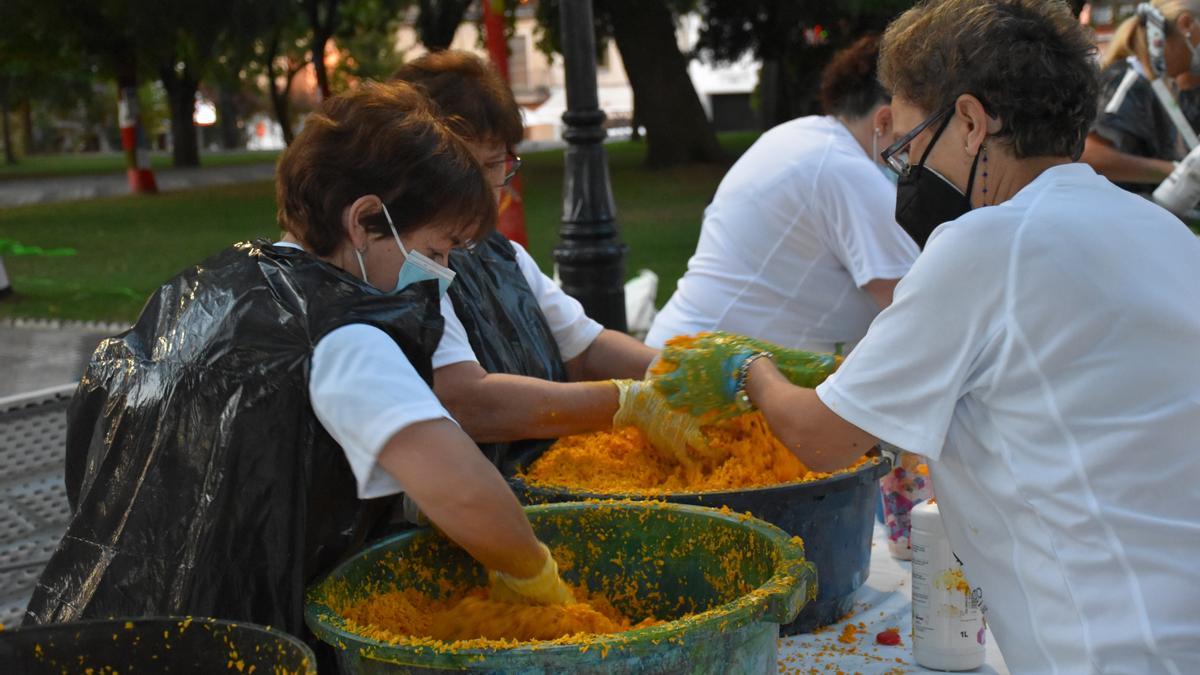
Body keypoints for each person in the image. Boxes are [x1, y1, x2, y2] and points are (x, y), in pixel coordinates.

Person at [653, 1, 1200, 671]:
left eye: (909, 147)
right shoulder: (1163, 232)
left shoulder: (987, 246)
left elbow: (823, 438)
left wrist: (748, 367)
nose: (904, 172)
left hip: (1115, 648)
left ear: (970, 122)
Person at [25, 82, 573, 640]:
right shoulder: (337, 331)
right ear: (363, 220)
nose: (442, 273)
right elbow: (462, 487)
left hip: (86, 625)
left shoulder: (198, 290)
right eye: (435, 251)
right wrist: (538, 578)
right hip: (217, 641)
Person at [392, 51, 680, 473]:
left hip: (554, 477)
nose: (493, 185)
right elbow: (467, 400)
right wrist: (629, 402)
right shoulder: (405, 267)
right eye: (477, 167)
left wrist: (674, 373)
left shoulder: (502, 253)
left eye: (499, 164)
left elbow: (586, 347)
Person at [645, 35, 918, 354]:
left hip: (688, 358)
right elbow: (913, 308)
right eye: (912, 132)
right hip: (711, 379)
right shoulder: (845, 170)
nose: (915, 150)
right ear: (884, 120)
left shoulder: (803, 138)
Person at [1081, 0, 1200, 190]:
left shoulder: (1167, 87)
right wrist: (1175, 172)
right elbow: (1089, 155)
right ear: (1186, 25)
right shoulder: (1129, 80)